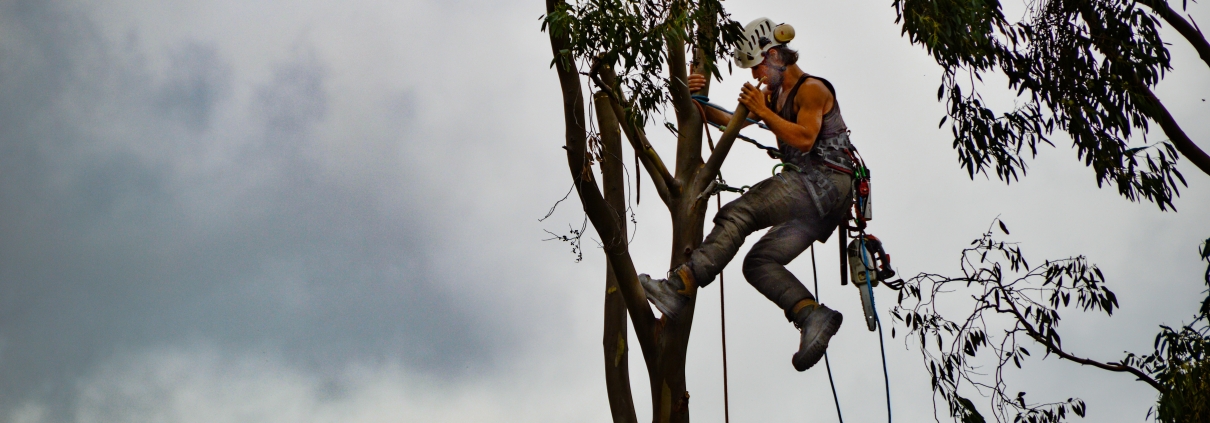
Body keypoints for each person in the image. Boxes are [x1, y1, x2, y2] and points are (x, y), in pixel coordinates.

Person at [639, 17, 856, 372]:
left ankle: (680, 285)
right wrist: (696, 99)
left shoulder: (811, 89)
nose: (756, 75)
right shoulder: (775, 97)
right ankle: (811, 315)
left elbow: (803, 138)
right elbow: (732, 120)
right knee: (758, 263)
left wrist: (762, 110)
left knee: (740, 213)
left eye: (757, 66)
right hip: (819, 202)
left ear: (774, 55)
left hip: (824, 181)